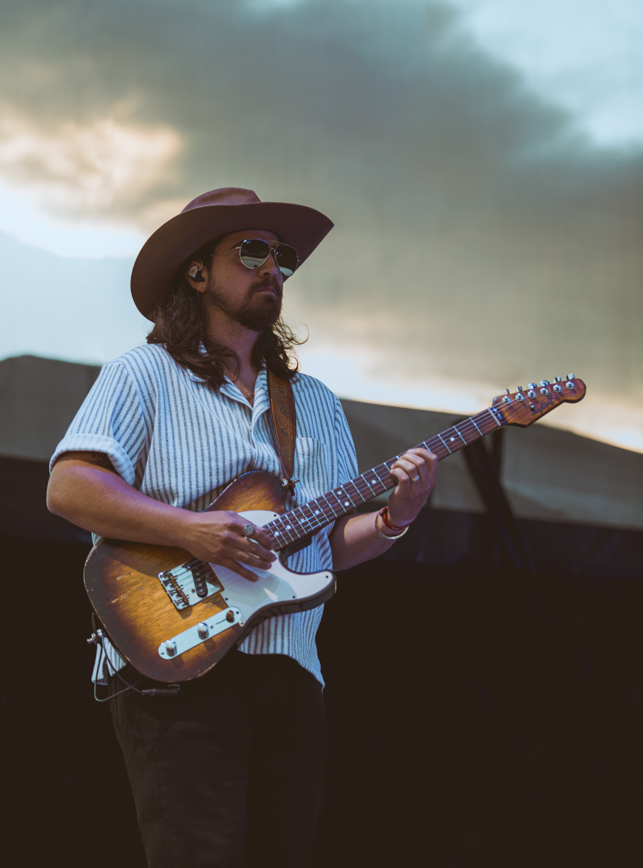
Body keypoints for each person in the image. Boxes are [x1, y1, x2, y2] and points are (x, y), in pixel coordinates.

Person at [47, 186, 437, 868]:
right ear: (197, 272)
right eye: (251, 251)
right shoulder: (144, 374)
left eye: (281, 257)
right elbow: (69, 486)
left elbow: (323, 552)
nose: (273, 270)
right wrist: (190, 530)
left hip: (291, 671)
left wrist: (393, 519)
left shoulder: (312, 401)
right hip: (178, 663)